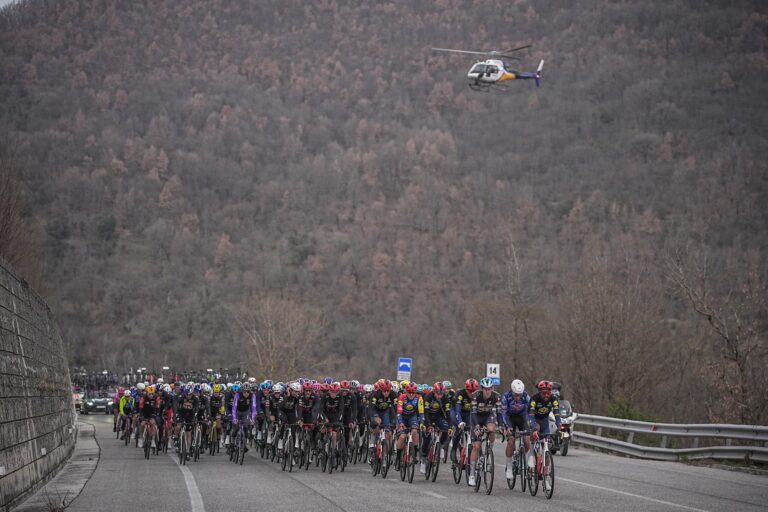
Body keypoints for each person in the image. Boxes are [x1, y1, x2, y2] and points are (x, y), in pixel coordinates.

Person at [468, 377, 500, 487]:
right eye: (485, 389)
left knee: (492, 429)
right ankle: (472, 474)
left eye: (489, 388)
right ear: (482, 389)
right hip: (476, 418)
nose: (487, 391)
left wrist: (501, 426)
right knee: (476, 446)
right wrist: (476, 426)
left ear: (492, 388)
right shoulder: (475, 396)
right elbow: (472, 413)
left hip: (487, 417)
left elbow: (499, 413)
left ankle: (489, 449)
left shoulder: (496, 396)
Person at [500, 379, 532, 479]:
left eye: (520, 395)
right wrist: (507, 427)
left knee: (527, 440)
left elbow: (531, 412)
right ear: (512, 391)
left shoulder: (526, 396)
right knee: (511, 441)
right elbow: (504, 413)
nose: (518, 397)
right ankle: (509, 467)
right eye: (516, 395)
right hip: (510, 418)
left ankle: (525, 459)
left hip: (523, 417)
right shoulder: (506, 396)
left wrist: (531, 425)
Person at [528, 380, 560, 468]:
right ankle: (531, 454)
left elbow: (557, 413)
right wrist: (533, 428)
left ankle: (546, 471)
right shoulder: (534, 399)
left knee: (546, 443)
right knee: (536, 429)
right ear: (539, 392)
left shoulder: (554, 399)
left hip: (545, 420)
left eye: (548, 393)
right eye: (544, 393)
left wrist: (559, 427)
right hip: (535, 419)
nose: (546, 395)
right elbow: (530, 415)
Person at [421, 382, 451, 474]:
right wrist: (428, 425)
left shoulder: (445, 398)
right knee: (427, 438)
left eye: (441, 394)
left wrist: (450, 426)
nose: (439, 396)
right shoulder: (428, 397)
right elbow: (425, 413)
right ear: (434, 392)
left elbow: (448, 413)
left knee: (445, 429)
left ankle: (441, 446)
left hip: (438, 416)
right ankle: (423, 459)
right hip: (428, 416)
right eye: (438, 394)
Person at [396, 382, 424, 465]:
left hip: (412, 417)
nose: (411, 394)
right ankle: (398, 458)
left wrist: (422, 422)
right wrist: (400, 423)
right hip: (402, 417)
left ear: (415, 392)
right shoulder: (402, 397)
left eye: (413, 392)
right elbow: (399, 412)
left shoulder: (419, 398)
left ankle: (414, 454)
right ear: (406, 391)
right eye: (409, 392)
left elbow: (421, 412)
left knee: (415, 431)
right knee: (402, 436)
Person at [452, 378, 478, 463]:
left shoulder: (477, 396)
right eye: (469, 391)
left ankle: (470, 448)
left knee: (471, 429)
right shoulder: (460, 394)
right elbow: (457, 411)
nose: (471, 393)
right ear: (466, 389)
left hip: (468, 413)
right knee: (459, 428)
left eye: (473, 391)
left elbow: (477, 412)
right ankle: (454, 449)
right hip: (456, 411)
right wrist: (459, 422)